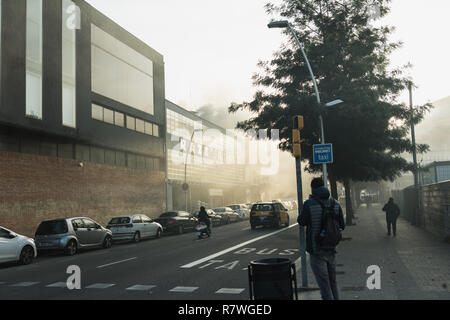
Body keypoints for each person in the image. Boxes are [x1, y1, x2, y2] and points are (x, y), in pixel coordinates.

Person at [298, 177, 345, 300]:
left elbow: (301, 221)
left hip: (316, 249)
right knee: (333, 283)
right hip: (331, 248)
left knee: (324, 286)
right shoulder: (335, 203)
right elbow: (342, 225)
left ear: (313, 189)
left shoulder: (309, 204)